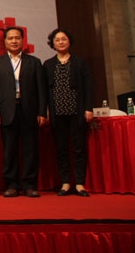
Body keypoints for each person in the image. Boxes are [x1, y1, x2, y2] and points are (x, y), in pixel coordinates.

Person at [0, 26, 47, 198]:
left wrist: (42, 112)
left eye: (17, 38)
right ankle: (11, 185)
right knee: (9, 150)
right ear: (5, 42)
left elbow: (41, 90)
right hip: (7, 110)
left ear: (23, 40)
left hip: (29, 110)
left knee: (30, 149)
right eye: (10, 38)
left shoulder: (34, 62)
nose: (14, 41)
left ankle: (30, 185)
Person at [43, 29, 93, 197]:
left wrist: (88, 108)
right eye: (57, 40)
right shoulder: (48, 64)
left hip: (77, 112)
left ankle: (79, 183)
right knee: (61, 149)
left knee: (79, 148)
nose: (61, 42)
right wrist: (45, 111)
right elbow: (44, 91)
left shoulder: (79, 63)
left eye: (64, 39)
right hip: (57, 112)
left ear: (69, 41)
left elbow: (88, 87)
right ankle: (65, 183)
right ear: (53, 44)